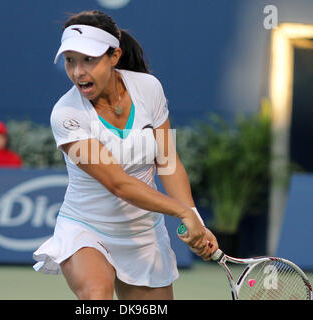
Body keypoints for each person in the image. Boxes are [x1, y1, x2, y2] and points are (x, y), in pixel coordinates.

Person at [33, 10, 219, 300]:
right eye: (70, 60)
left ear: (114, 55)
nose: (78, 72)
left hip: (143, 234)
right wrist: (181, 212)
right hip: (86, 229)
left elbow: (167, 161)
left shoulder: (148, 88)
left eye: (89, 60)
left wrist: (195, 220)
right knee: (97, 296)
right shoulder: (66, 115)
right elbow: (118, 184)